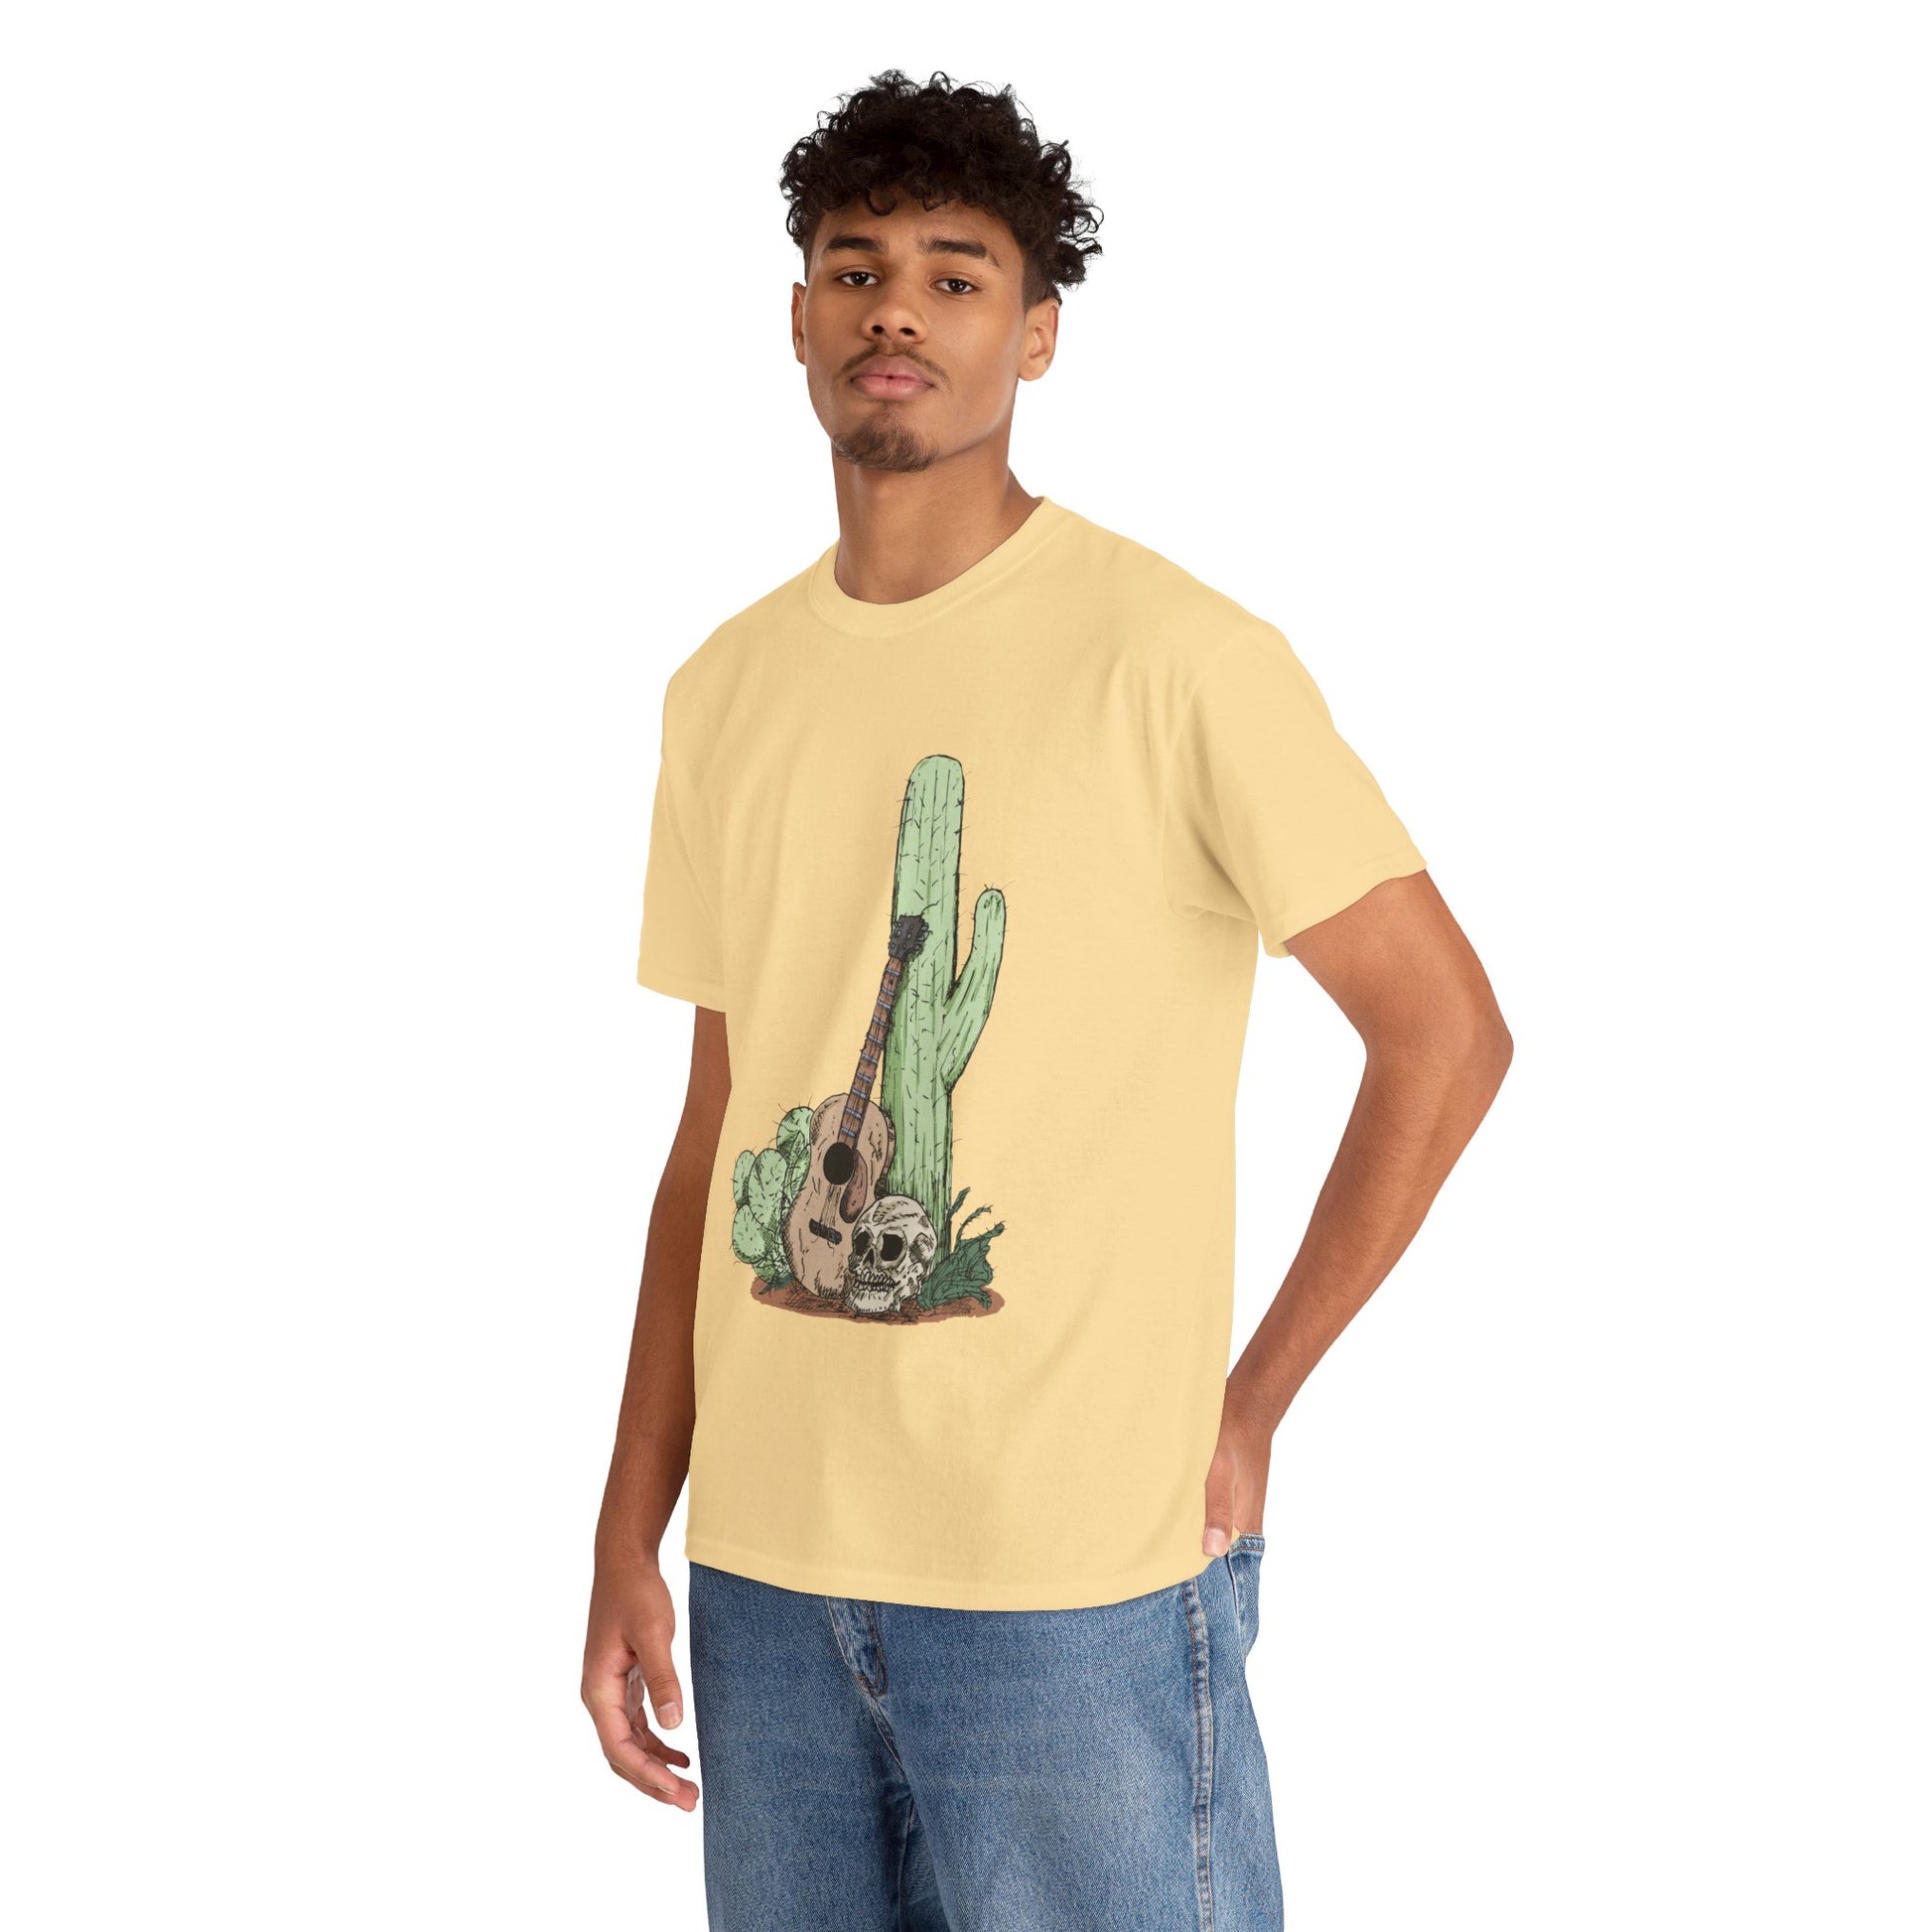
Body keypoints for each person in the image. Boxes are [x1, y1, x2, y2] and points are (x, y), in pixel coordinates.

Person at [583, 69, 1512, 1932]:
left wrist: (1251, 1399)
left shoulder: (1177, 657)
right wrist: (631, 1522)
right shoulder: (723, 688)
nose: (897, 313)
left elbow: (1445, 1032)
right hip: (765, 1573)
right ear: (796, 317)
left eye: (956, 276)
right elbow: (713, 1143)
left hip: (1072, 1576)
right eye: (856, 269)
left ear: (1036, 333)